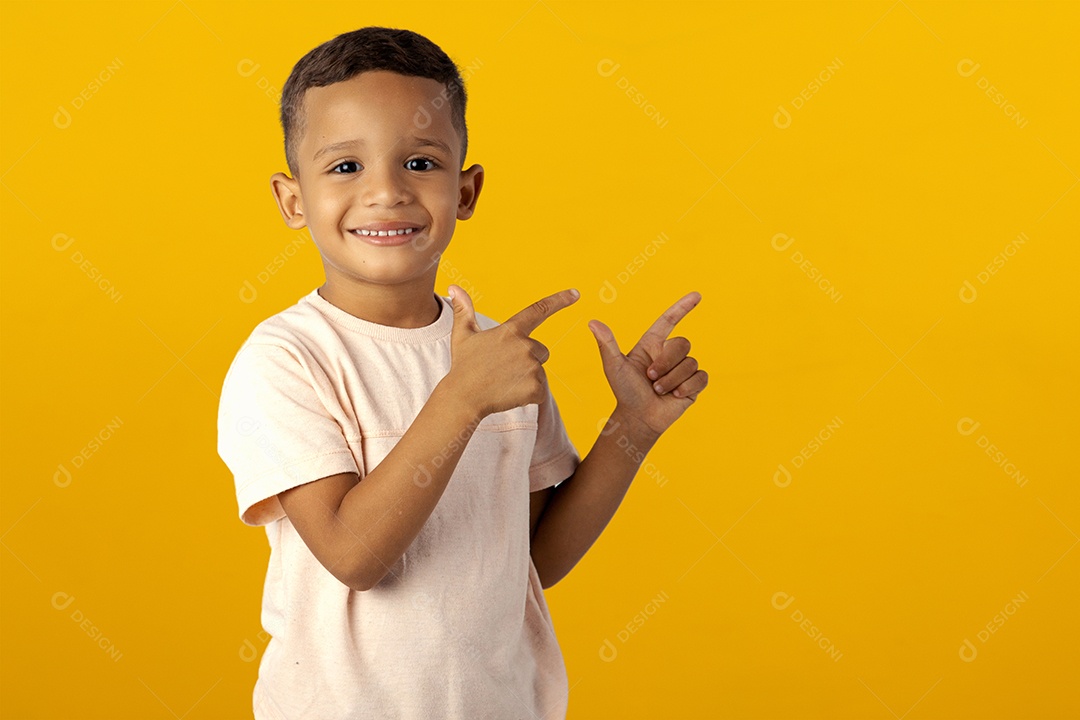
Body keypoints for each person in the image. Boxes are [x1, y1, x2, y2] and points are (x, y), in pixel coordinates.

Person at [216, 25, 708, 720]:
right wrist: (460, 402)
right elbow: (355, 557)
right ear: (293, 200)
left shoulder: (496, 360)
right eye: (345, 167)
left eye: (419, 163)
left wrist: (632, 429)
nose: (386, 193)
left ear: (466, 189)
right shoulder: (288, 358)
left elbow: (528, 562)